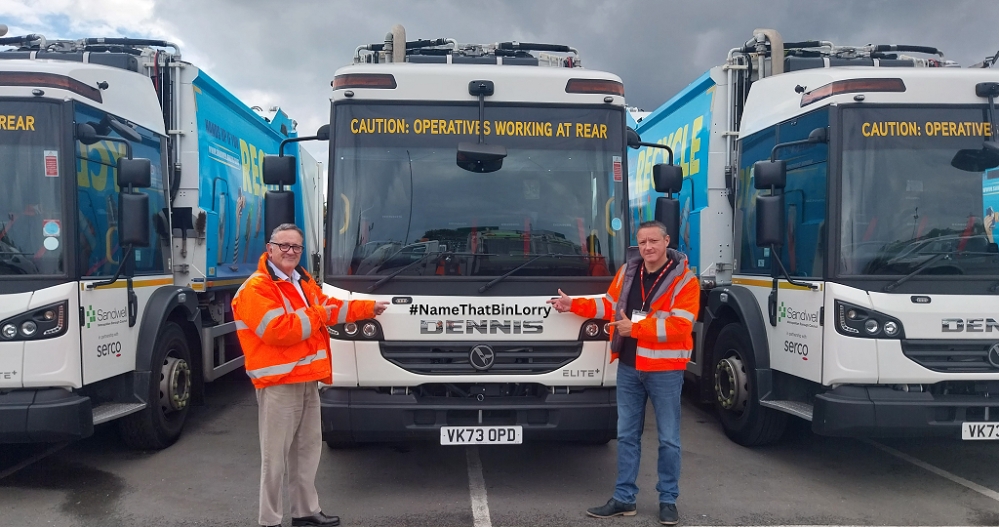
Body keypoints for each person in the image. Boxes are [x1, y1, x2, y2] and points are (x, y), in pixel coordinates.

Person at [232, 223, 388, 527]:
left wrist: (368, 307)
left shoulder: (301, 282)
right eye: (284, 246)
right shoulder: (257, 288)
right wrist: (316, 313)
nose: (291, 252)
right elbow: (280, 331)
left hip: (307, 380)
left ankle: (304, 512)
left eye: (296, 247)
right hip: (278, 385)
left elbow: (331, 308)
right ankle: (270, 521)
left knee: (307, 452)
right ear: (270, 249)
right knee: (274, 460)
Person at [548, 220, 699, 526]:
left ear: (667, 241)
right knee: (627, 436)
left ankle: (668, 500)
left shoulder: (685, 281)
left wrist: (636, 328)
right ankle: (624, 498)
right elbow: (609, 305)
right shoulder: (629, 271)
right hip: (630, 368)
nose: (648, 248)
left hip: (665, 371)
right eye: (642, 242)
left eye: (654, 241)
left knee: (669, 439)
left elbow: (681, 326)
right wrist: (572, 304)